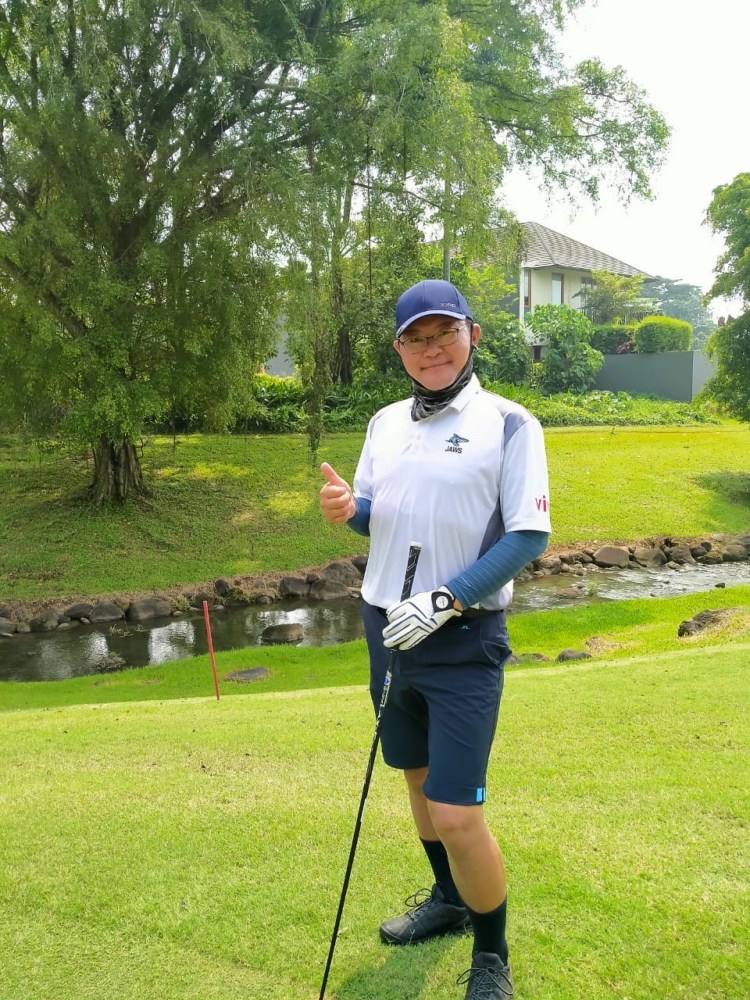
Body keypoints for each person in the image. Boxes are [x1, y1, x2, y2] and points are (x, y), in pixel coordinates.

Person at [319, 279, 551, 1000]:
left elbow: (528, 535)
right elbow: (377, 513)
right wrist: (348, 508)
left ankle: (491, 954)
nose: (431, 350)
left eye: (443, 333)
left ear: (472, 335)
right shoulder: (385, 422)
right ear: (399, 351)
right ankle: (448, 900)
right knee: (418, 782)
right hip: (385, 628)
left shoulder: (510, 423)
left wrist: (447, 599)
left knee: (457, 812)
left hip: (463, 639)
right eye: (415, 339)